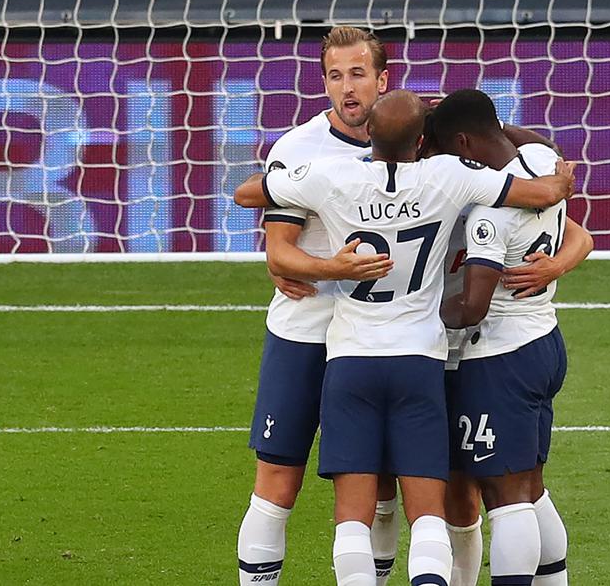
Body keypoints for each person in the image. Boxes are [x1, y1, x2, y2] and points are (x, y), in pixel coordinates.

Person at [234, 90, 574, 586]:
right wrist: (560, 180)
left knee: (354, 514)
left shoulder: (333, 175)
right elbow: (539, 192)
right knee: (436, 513)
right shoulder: (452, 176)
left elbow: (247, 193)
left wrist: (315, 239)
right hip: (424, 358)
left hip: (351, 359)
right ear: (422, 140)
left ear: (367, 134)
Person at [236, 25, 395, 585]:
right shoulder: (299, 147)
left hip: (379, 341)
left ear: (382, 77)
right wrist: (332, 268)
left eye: (358, 74)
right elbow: (278, 252)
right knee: (277, 483)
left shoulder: (418, 142)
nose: (347, 88)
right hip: (304, 334)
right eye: (335, 76)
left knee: (377, 490)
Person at [431, 89, 589, 585]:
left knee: (505, 498)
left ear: (462, 143)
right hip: (544, 339)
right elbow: (526, 137)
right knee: (532, 488)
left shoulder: (489, 213)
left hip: (498, 356)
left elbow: (472, 306)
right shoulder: (541, 162)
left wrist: (412, 316)